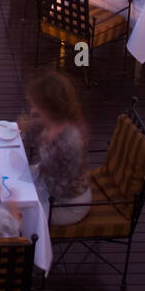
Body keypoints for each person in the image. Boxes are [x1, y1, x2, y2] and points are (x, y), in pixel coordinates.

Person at [19, 71, 90, 226]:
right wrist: (26, 128)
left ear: (48, 107)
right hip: (50, 185)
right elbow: (29, 128)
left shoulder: (67, 143)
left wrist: (23, 185)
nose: (32, 109)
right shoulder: (57, 120)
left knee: (13, 214)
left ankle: (30, 248)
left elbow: (58, 187)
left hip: (66, 205)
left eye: (35, 104)